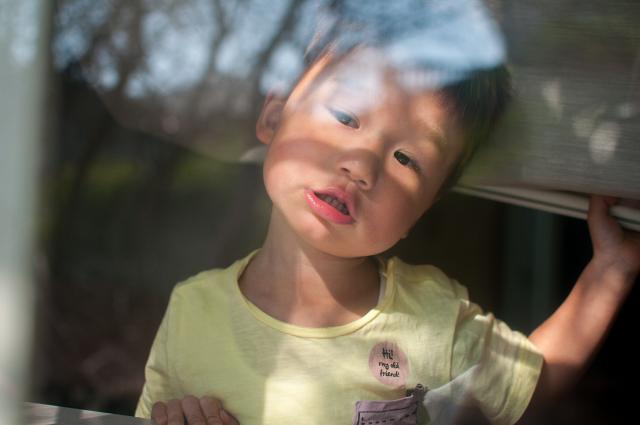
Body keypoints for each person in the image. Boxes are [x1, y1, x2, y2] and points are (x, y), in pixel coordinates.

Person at [134, 4, 640, 425]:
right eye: (346, 116)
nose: (361, 166)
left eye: (406, 159)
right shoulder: (191, 311)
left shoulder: (433, 317)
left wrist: (610, 272)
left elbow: (530, 384)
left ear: (423, 208)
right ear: (274, 115)